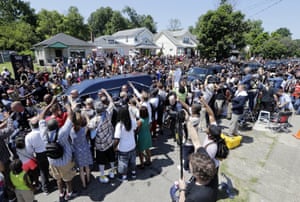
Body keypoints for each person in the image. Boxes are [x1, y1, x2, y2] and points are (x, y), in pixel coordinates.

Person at [39, 97, 77, 201]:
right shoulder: (62, 133)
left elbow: (41, 117)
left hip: (52, 162)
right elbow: (71, 115)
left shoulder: (43, 134)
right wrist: (66, 103)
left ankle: (61, 193)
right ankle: (69, 193)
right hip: (65, 161)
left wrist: (50, 104)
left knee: (58, 179)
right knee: (67, 179)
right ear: (57, 125)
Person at [87, 89, 116, 184]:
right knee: (111, 157)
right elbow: (111, 102)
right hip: (109, 140)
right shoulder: (108, 114)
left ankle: (103, 175)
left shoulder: (94, 120)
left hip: (100, 144)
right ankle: (112, 171)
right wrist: (106, 92)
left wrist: (87, 117)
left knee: (101, 161)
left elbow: (89, 127)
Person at [25, 116, 51, 194]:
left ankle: (45, 189)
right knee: (54, 167)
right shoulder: (44, 130)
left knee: (43, 171)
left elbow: (29, 150)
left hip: (39, 154)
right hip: (49, 151)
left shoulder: (28, 136)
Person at [114, 107, 137, 182]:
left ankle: (124, 177)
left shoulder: (119, 125)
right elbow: (135, 129)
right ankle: (133, 173)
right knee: (132, 161)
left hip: (123, 148)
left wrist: (114, 147)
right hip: (132, 145)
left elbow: (117, 139)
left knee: (123, 163)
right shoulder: (133, 121)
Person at [70, 112, 93, 189]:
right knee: (87, 166)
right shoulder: (83, 130)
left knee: (81, 170)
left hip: (77, 152)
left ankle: (84, 184)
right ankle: (89, 180)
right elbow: (89, 124)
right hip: (85, 150)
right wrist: (86, 116)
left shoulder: (71, 131)